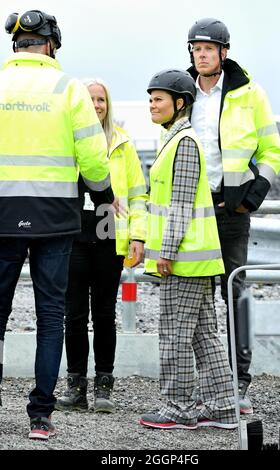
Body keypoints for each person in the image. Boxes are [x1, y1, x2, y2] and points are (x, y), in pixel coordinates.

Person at [0, 11, 113, 440]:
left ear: (18, 44)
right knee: (51, 316)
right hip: (56, 217)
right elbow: (93, 156)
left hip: (1, 216)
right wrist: (102, 196)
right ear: (50, 45)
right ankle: (40, 416)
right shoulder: (68, 88)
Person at [187, 18, 280, 413]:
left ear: (224, 52)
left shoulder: (249, 93)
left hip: (231, 212)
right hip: (194, 211)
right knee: (196, 300)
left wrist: (251, 197)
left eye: (209, 48)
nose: (202, 54)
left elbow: (272, 151)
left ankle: (238, 382)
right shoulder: (182, 91)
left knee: (234, 292)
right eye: (196, 48)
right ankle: (208, 383)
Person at [140, 69, 238, 430]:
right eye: (150, 98)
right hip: (195, 258)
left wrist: (165, 252)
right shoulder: (177, 139)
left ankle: (178, 409)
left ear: (179, 104)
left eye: (159, 98)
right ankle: (224, 407)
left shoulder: (182, 142)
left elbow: (180, 205)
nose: (152, 104)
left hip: (182, 259)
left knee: (175, 335)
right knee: (203, 335)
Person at [55, 78, 148, 413]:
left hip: (110, 235)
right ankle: (76, 387)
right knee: (74, 315)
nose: (95, 105)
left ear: (108, 106)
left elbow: (139, 195)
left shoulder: (123, 144)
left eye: (101, 100)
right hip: (74, 235)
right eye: (90, 99)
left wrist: (138, 235)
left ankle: (104, 387)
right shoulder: (67, 142)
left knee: (105, 315)